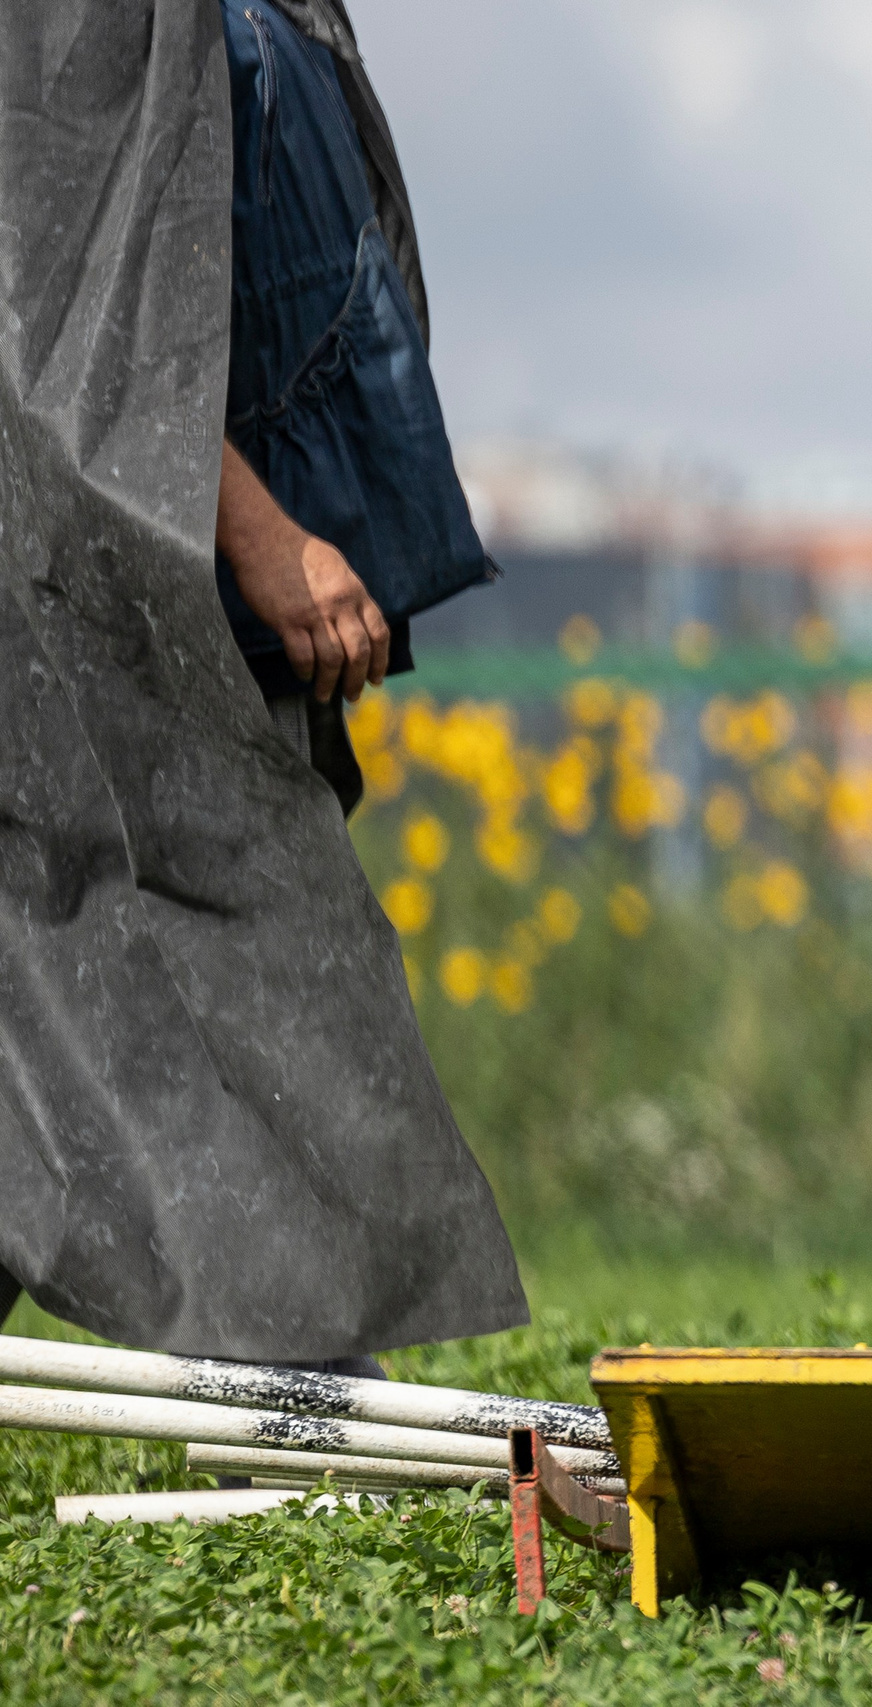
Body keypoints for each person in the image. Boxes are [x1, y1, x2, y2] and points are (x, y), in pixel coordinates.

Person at [0, 0, 526, 1366]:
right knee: (243, 986)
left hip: (181, 590)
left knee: (105, 999)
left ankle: (286, 1396)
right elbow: (50, 315)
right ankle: (291, 1401)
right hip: (112, 587)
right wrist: (259, 534)